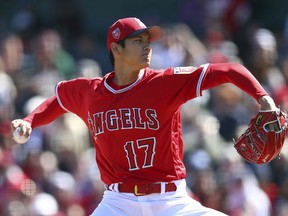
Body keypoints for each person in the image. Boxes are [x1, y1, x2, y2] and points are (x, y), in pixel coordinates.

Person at [11, 17, 278, 216]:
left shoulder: (164, 83)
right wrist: (30, 120)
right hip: (117, 203)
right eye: (139, 41)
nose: (147, 46)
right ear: (116, 49)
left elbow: (229, 69)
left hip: (170, 201)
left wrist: (264, 98)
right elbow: (57, 100)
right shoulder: (90, 92)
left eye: (148, 41)